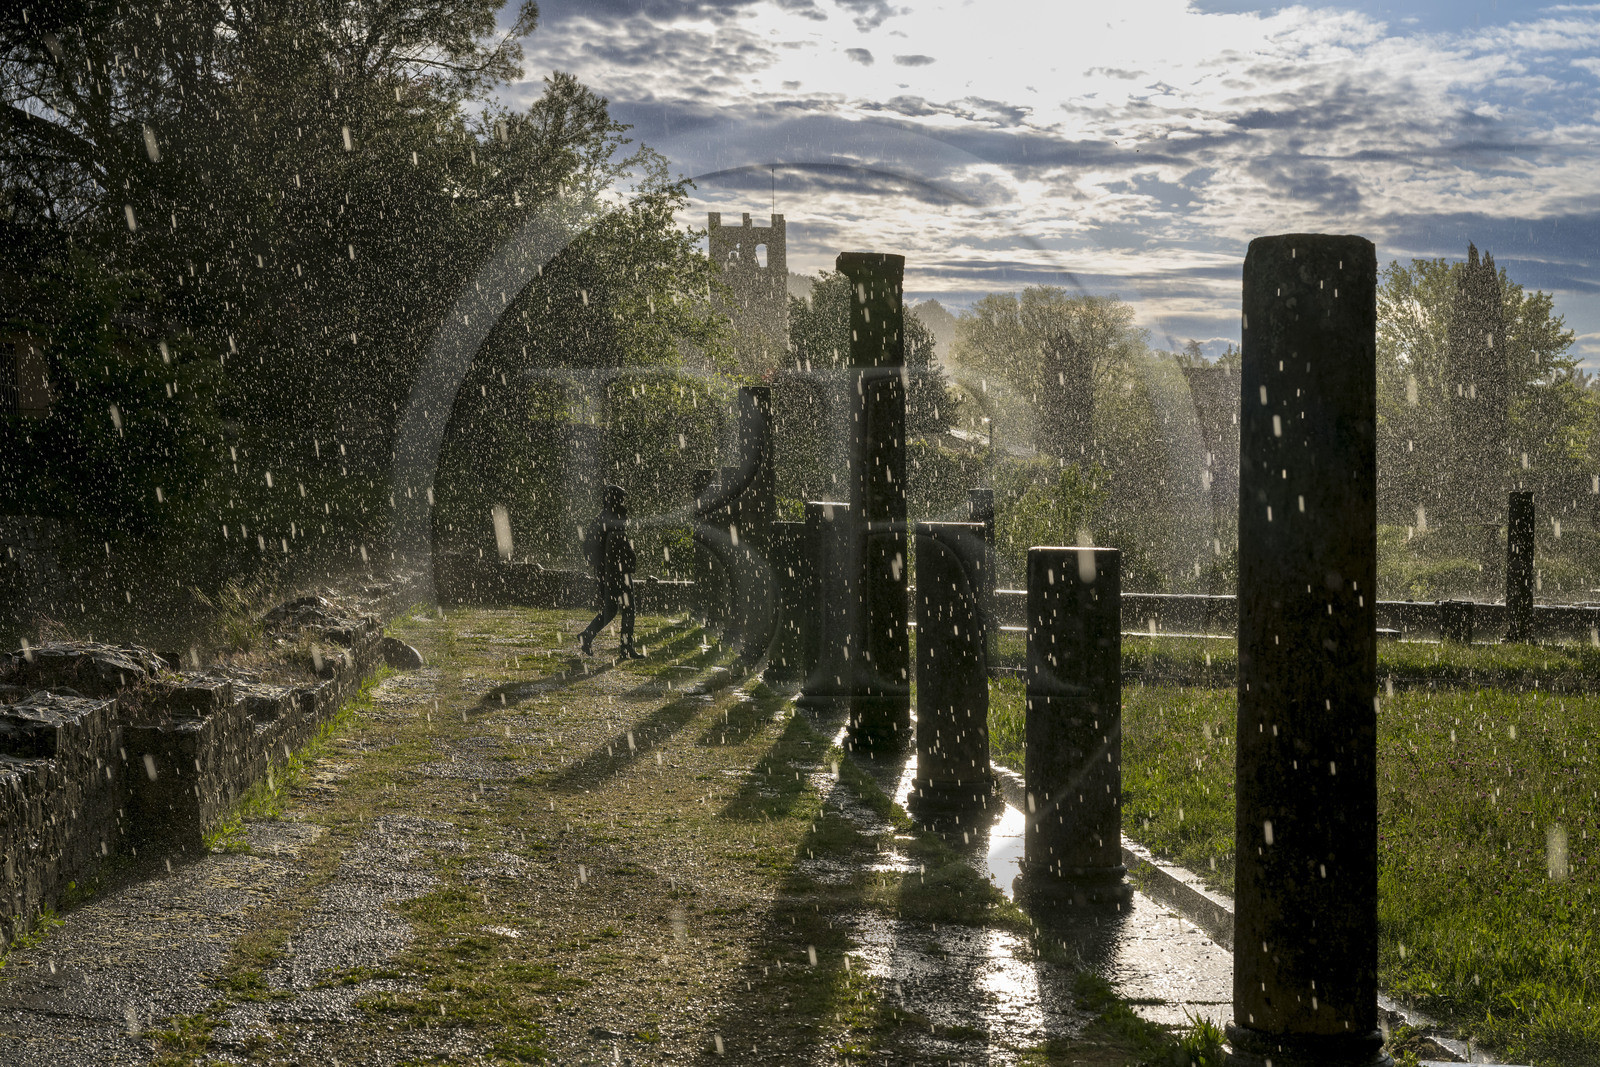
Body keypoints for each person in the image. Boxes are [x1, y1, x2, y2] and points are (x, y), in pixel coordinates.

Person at [579, 485, 642, 658]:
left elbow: (589, 549)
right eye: (621, 498)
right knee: (628, 609)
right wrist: (624, 563)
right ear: (614, 499)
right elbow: (618, 546)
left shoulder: (600, 519)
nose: (623, 502)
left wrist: (602, 570)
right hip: (617, 572)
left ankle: (588, 635)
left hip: (608, 572)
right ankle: (625, 647)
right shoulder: (614, 517)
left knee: (611, 610)